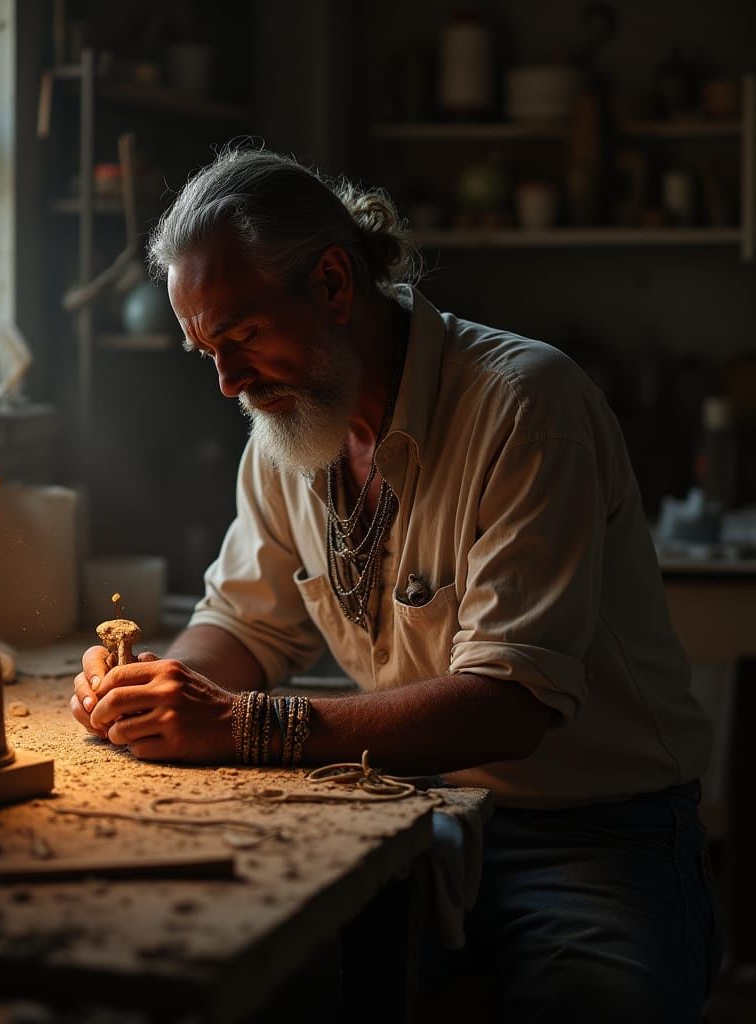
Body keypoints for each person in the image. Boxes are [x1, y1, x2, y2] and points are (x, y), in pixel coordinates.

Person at [68, 147, 720, 1020]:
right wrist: (154, 690)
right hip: (407, 808)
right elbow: (245, 623)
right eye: (205, 352)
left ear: (334, 283)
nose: (227, 382)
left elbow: (507, 704)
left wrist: (244, 725)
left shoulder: (525, 407)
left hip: (592, 832)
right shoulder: (288, 425)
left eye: (242, 336)